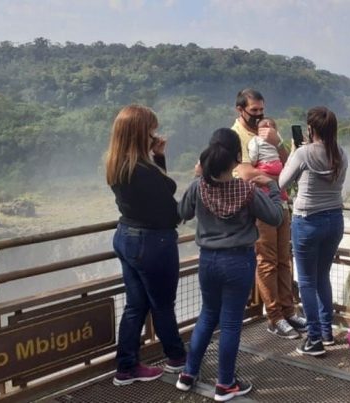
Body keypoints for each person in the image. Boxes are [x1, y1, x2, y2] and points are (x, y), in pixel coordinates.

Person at [176, 128, 283, 401]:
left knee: (207, 315)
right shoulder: (247, 191)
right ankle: (225, 384)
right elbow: (275, 217)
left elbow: (182, 212)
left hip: (208, 260)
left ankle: (188, 373)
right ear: (237, 157)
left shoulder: (199, 187)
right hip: (238, 261)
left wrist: (197, 178)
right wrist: (272, 187)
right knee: (231, 322)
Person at [105, 105, 186, 385]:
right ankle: (177, 358)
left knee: (135, 305)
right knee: (162, 304)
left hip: (126, 236)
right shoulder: (144, 172)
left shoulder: (118, 165)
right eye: (151, 129)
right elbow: (170, 208)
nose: (155, 134)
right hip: (153, 242)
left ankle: (126, 367)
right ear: (141, 133)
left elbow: (161, 192)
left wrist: (157, 157)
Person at [232, 88, 306, 339]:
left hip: (281, 203)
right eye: (254, 110)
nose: (259, 115)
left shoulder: (268, 130)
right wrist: (277, 178)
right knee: (267, 261)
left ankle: (289, 311)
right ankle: (274, 317)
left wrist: (277, 142)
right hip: (258, 207)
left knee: (284, 259)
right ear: (240, 110)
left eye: (261, 110)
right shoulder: (237, 135)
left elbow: (289, 164)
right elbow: (245, 174)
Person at [279, 106, 348, 356]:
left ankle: (314, 339)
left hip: (308, 221)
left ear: (310, 128)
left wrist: (293, 152)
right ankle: (326, 332)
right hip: (335, 220)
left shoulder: (303, 153)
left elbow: (281, 183)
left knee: (307, 280)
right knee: (322, 276)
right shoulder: (341, 153)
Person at [249, 118, 288, 201]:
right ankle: (282, 197)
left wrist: (253, 163)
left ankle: (266, 197)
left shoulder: (256, 139)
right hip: (278, 166)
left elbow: (253, 155)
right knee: (280, 184)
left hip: (265, 166)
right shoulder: (277, 138)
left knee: (261, 183)